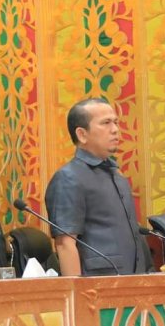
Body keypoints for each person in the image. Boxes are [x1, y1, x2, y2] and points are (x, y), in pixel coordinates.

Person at [45, 98, 148, 276]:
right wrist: (76, 290)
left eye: (116, 122)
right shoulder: (68, 178)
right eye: (106, 123)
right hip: (97, 283)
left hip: (132, 278)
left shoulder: (117, 175)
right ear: (82, 134)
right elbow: (65, 244)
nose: (115, 129)